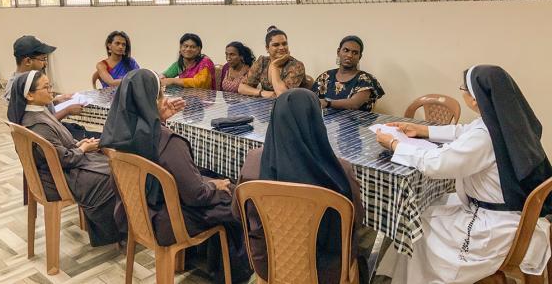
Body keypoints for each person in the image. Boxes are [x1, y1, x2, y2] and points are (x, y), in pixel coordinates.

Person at [375, 65, 552, 284]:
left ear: (475, 99)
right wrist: (423, 130)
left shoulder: (484, 137)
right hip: (513, 213)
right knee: (429, 207)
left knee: (415, 225)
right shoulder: (510, 120)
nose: (462, 92)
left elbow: (438, 164)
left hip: (493, 228)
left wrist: (394, 144)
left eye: (463, 89)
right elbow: (463, 130)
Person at [99, 69, 252, 282]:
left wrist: (157, 120)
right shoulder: (169, 142)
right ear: (152, 99)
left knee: (212, 182)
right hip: (167, 221)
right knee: (236, 196)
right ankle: (230, 273)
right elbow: (196, 195)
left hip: (135, 214)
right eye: (161, 92)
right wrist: (215, 186)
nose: (165, 97)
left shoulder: (117, 133)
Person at [232, 88, 366, 283]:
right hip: (326, 271)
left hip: (268, 262)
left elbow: (238, 214)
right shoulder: (340, 169)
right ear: (317, 121)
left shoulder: (253, 161)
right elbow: (356, 220)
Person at [7, 70, 121, 247]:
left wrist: (79, 143)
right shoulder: (38, 123)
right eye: (46, 87)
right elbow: (65, 159)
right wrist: (83, 148)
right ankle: (115, 233)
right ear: (29, 95)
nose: (52, 91)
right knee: (115, 174)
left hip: (58, 169)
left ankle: (116, 228)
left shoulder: (37, 112)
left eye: (50, 86)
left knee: (112, 163)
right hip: (59, 177)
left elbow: (58, 147)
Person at [4, 35, 97, 140]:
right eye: (43, 59)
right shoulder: (18, 88)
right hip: (50, 135)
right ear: (28, 61)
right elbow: (37, 126)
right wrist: (67, 111)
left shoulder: (23, 81)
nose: (46, 63)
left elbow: (38, 109)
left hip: (55, 128)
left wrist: (55, 100)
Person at [312, 35, 384, 111]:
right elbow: (311, 99)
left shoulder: (365, 79)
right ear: (338, 52)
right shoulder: (325, 76)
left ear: (360, 57)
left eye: (355, 53)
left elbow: (354, 104)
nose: (349, 55)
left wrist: (327, 103)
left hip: (357, 122)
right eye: (346, 50)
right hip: (325, 122)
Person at [238, 27, 306, 98]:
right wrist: (261, 92)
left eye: (284, 44)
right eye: (276, 45)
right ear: (267, 48)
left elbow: (283, 96)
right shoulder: (262, 62)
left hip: (292, 106)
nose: (282, 48)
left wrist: (274, 65)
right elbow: (241, 88)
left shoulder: (296, 65)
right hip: (267, 105)